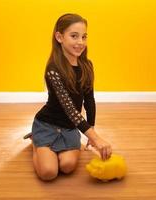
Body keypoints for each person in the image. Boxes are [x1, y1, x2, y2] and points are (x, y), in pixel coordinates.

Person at [26, 13, 112, 181]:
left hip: (70, 127)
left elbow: (89, 101)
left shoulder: (87, 65)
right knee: (48, 173)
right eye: (74, 36)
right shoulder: (53, 69)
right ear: (59, 37)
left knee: (67, 166)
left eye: (84, 37)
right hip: (47, 124)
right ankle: (36, 141)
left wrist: (91, 130)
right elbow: (70, 109)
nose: (80, 42)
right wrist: (95, 138)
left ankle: (66, 145)